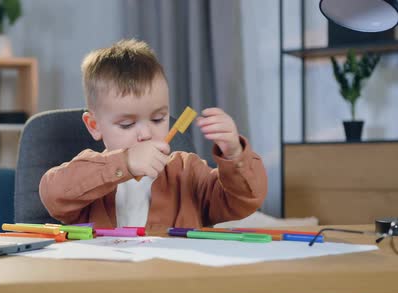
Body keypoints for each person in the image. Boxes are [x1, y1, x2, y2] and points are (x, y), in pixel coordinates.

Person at [39, 38, 267, 240]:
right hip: (106, 282)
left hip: (174, 283)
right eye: (127, 124)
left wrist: (235, 154)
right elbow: (53, 194)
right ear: (94, 126)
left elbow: (242, 201)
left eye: (158, 119)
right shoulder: (88, 173)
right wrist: (124, 163)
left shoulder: (188, 171)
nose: (146, 134)